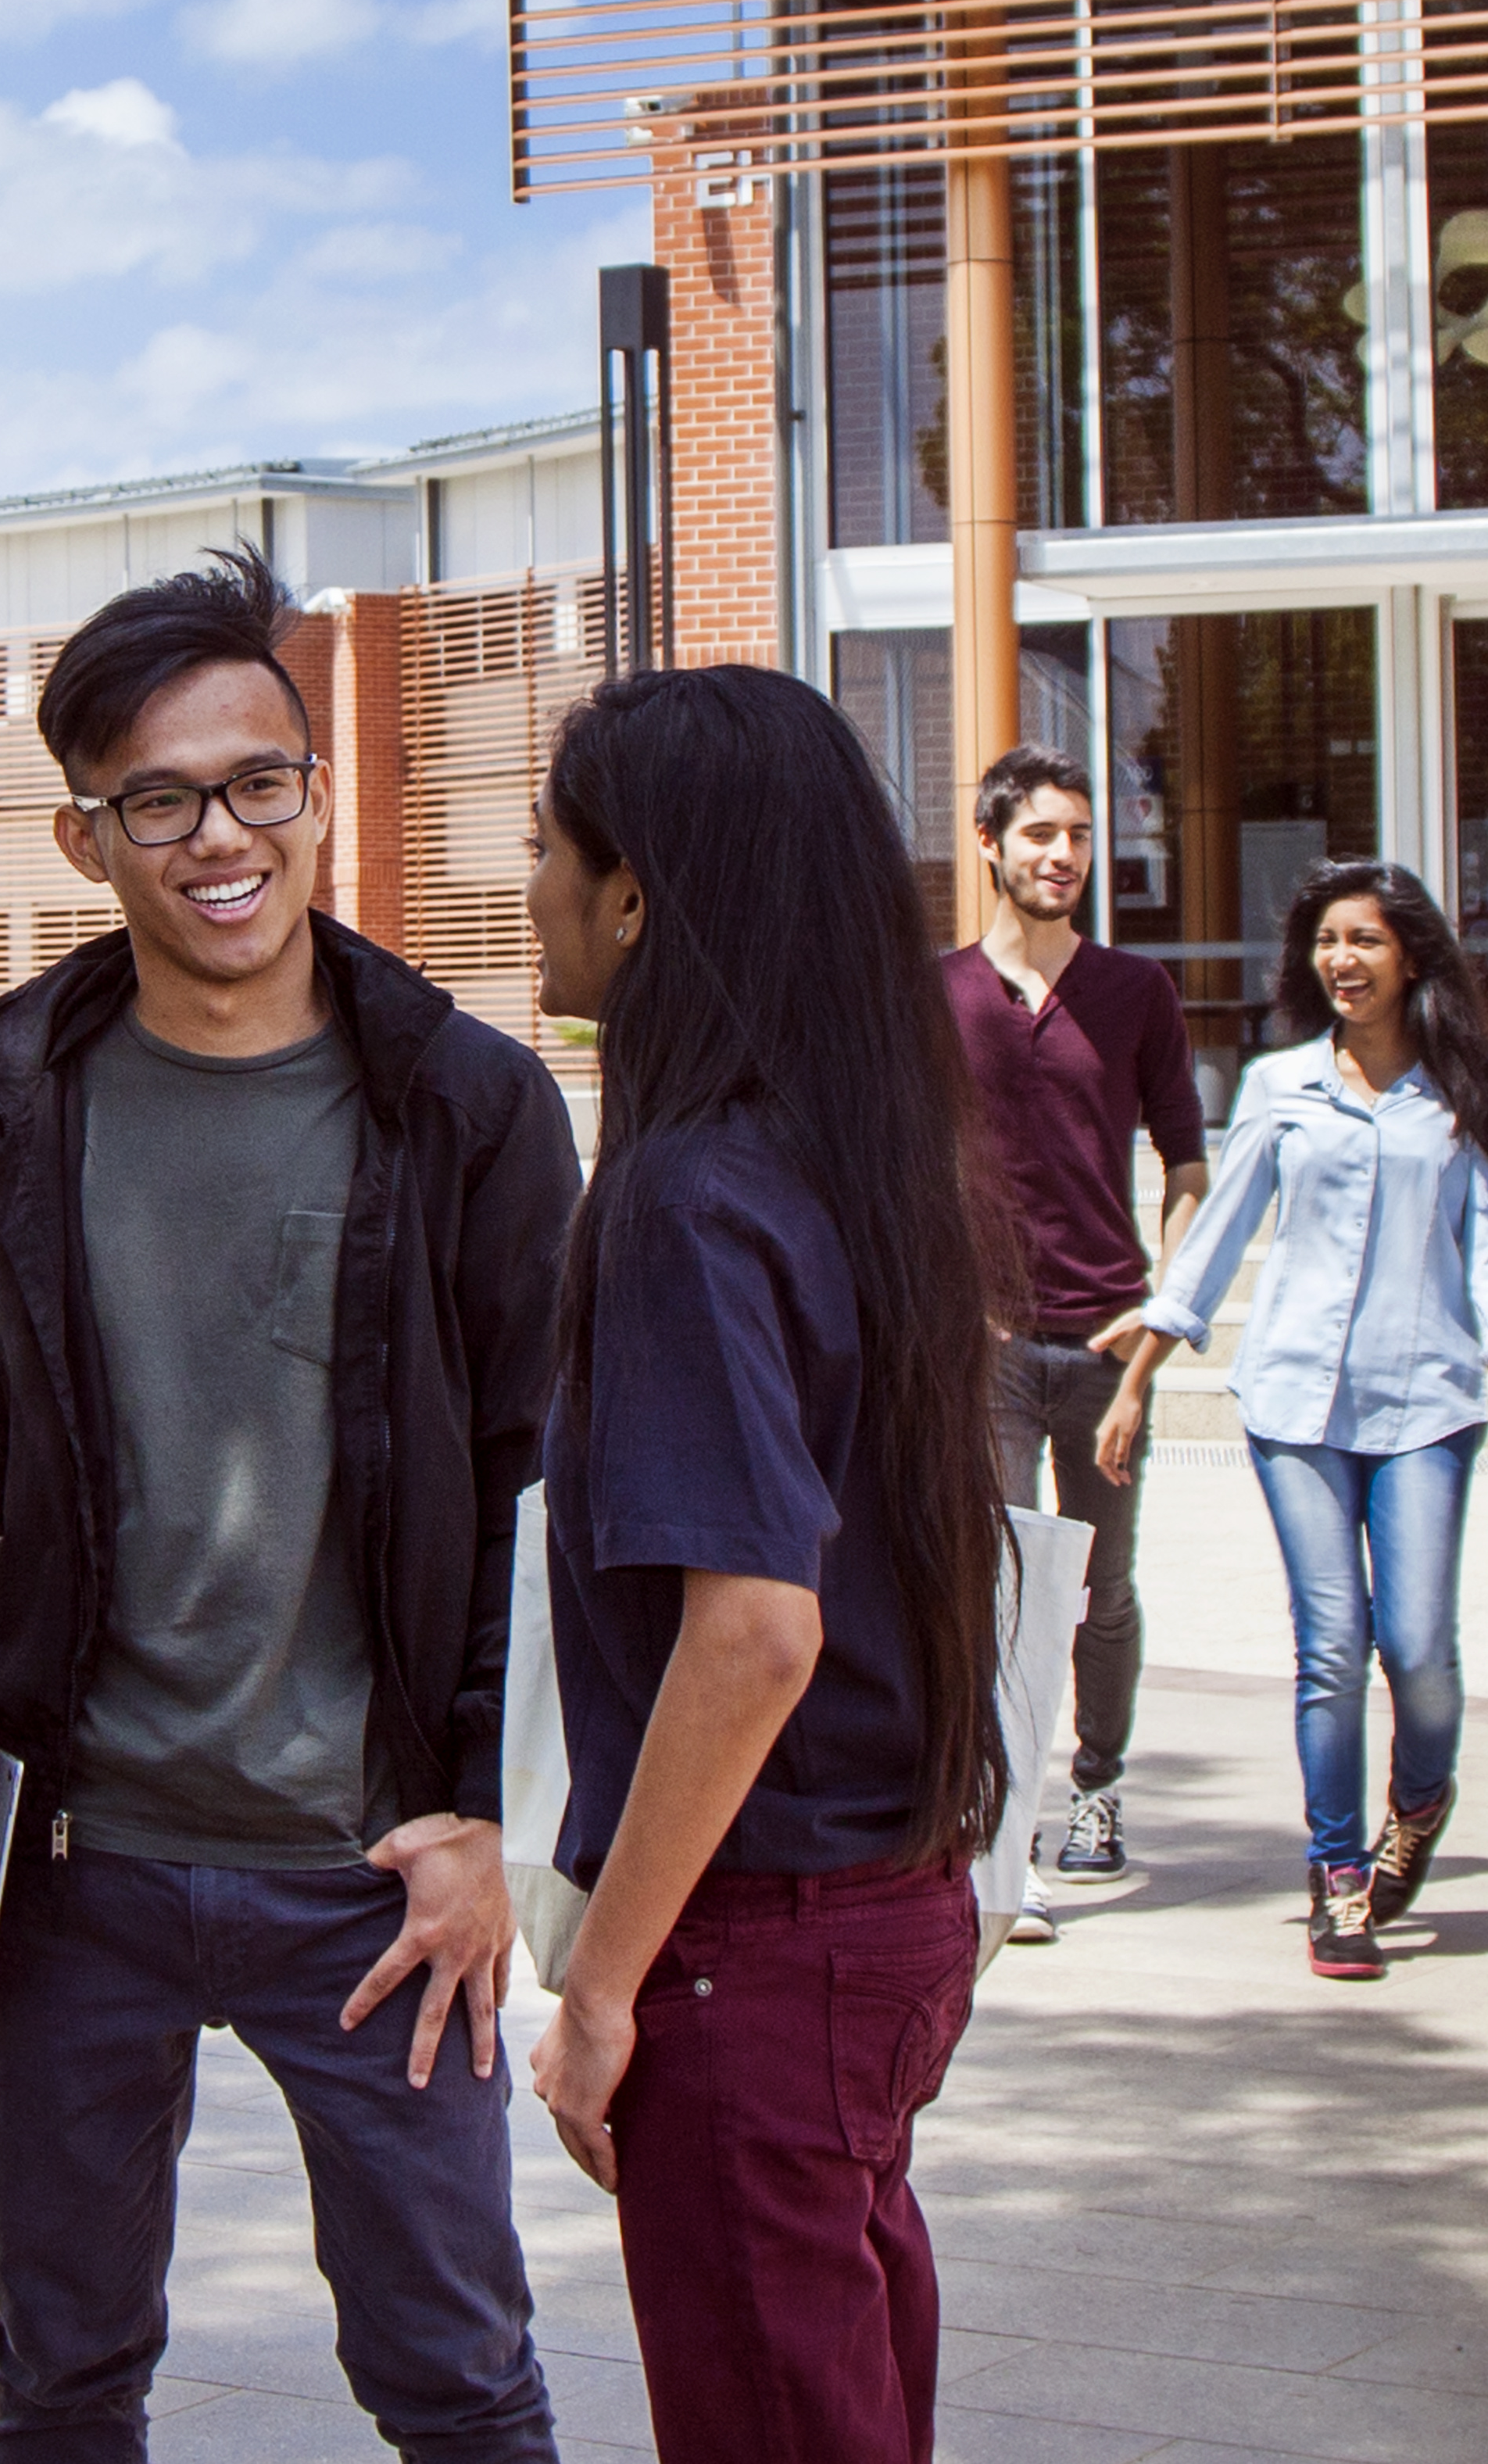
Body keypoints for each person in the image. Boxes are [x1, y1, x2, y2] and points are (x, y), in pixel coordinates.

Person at [0, 546, 578, 2464]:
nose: (220, 836)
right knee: (65, 2385)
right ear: (88, 838)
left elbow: (533, 1494)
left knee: (463, 2385)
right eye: (158, 800)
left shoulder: (469, 1104)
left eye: (263, 780)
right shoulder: (9, 1095)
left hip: (377, 1874)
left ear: (320, 790)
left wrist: (488, 1820)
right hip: (76, 1867)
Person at [518, 668, 1014, 2464]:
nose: (529, 890)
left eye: (544, 851)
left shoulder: (684, 1197)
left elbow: (752, 1633)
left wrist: (600, 1990)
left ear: (635, 895)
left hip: (766, 1945)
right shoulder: (859, 1162)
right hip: (888, 1915)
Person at [1098, 858, 1488, 1983]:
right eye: (1328, 941)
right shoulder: (1281, 1085)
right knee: (1333, 1646)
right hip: (1294, 1403)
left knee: (1422, 1651)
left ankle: (1422, 1795)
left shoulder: (1458, 1094)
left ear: (1411, 958)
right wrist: (1146, 1360)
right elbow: (1220, 1229)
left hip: (1426, 1405)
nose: (1343, 960)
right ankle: (1337, 1876)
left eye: (1367, 941)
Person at [942, 742, 1207, 1916]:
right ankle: (998, 1827)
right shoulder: (934, 994)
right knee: (994, 1587)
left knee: (1104, 1588)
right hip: (987, 1349)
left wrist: (1163, 1312)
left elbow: (1187, 1162)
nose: (1064, 856)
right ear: (991, 845)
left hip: (1107, 1346)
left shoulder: (1137, 993)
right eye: (1041, 834)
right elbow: (900, 1163)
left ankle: (1094, 1794)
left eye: (1080, 836)